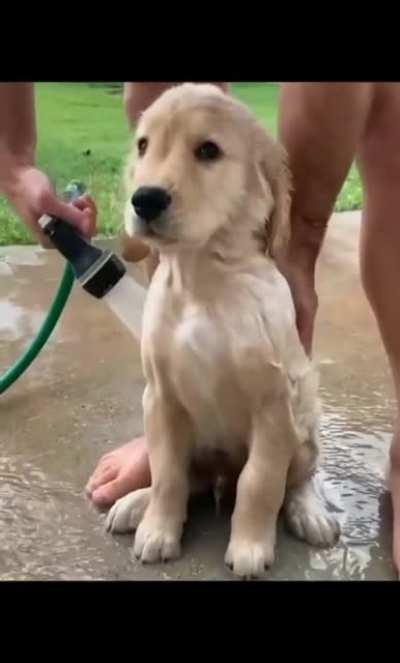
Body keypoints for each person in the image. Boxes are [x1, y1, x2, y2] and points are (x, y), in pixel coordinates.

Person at [1, 82, 399, 573]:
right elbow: (160, 397)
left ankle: (293, 485)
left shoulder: (262, 291)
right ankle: (174, 478)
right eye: (145, 148)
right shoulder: (160, 302)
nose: (154, 183)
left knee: (282, 406)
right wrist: (16, 164)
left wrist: (255, 518)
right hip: (181, 344)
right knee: (166, 397)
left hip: (262, 341)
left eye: (206, 151)